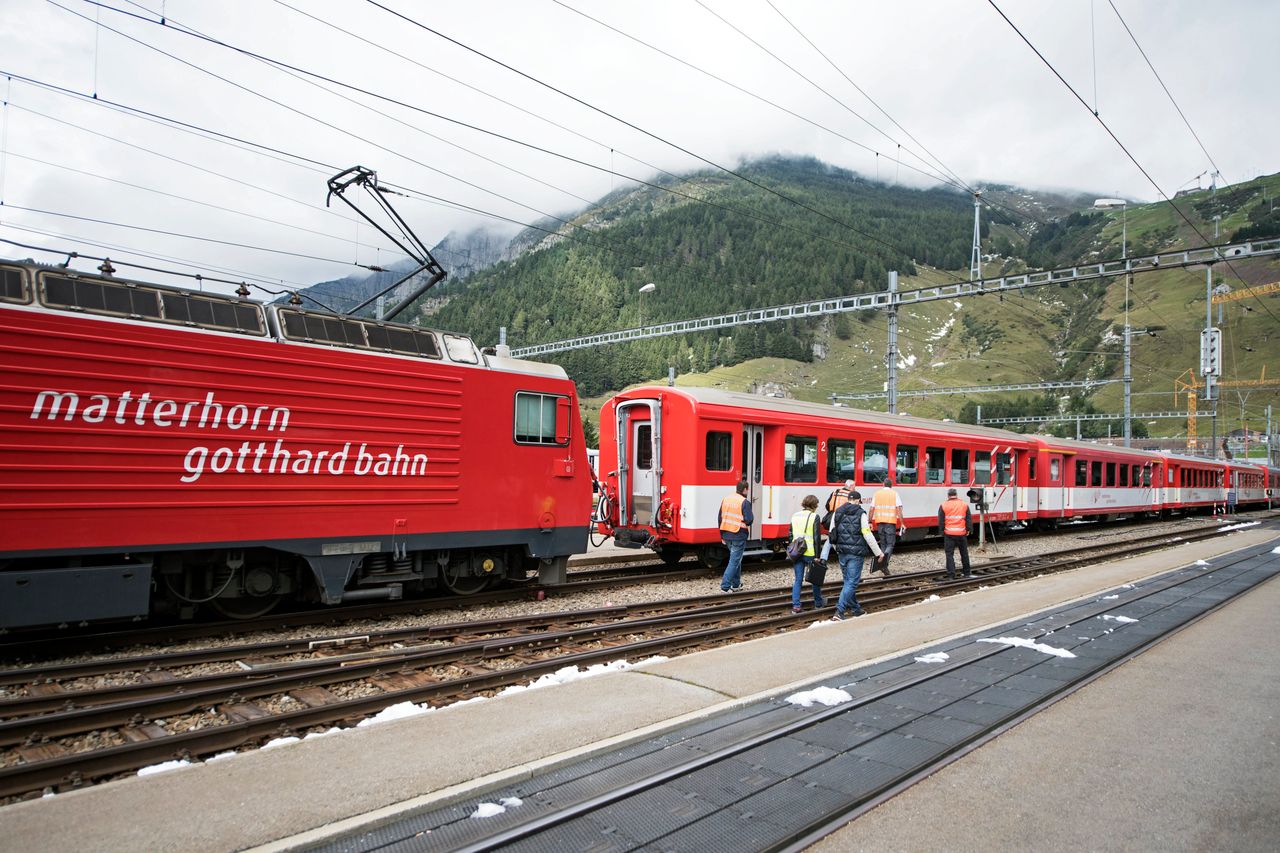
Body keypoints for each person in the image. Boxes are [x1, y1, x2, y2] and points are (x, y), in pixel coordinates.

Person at [829, 489, 884, 619]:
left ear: (848, 499)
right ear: (859, 501)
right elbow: (867, 534)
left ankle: (856, 609)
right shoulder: (861, 514)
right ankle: (839, 611)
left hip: (842, 552)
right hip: (856, 553)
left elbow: (832, 532)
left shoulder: (837, 511)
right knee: (852, 583)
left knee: (848, 582)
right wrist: (878, 552)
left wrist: (836, 547)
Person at [788, 495, 825, 612]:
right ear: (814, 505)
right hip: (810, 552)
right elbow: (816, 538)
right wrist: (818, 556)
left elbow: (790, 534)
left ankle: (796, 605)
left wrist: (793, 549)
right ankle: (818, 603)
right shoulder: (814, 516)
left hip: (797, 553)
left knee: (798, 579)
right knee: (815, 579)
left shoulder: (795, 516)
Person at [718, 478, 753, 592]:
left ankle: (736, 584)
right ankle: (725, 586)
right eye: (747, 490)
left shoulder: (726, 499)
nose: (748, 492)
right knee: (734, 561)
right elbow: (749, 520)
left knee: (736, 559)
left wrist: (721, 535)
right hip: (738, 534)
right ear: (744, 490)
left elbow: (720, 518)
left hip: (726, 534)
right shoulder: (744, 502)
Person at [870, 478, 905, 576]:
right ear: (891, 485)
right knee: (890, 544)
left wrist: (869, 521)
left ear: (883, 484)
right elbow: (898, 509)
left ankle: (882, 563)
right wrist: (902, 523)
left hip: (879, 522)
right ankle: (883, 564)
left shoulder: (877, 494)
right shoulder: (894, 494)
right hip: (890, 523)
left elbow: (872, 509)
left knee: (883, 544)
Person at [938, 488, 973, 579]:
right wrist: (968, 530)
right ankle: (967, 573)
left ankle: (951, 575)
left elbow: (941, 521)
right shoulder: (964, 505)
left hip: (949, 534)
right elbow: (968, 519)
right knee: (964, 553)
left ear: (948, 495)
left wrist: (942, 532)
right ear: (956, 495)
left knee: (949, 554)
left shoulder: (944, 505)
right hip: (961, 533)